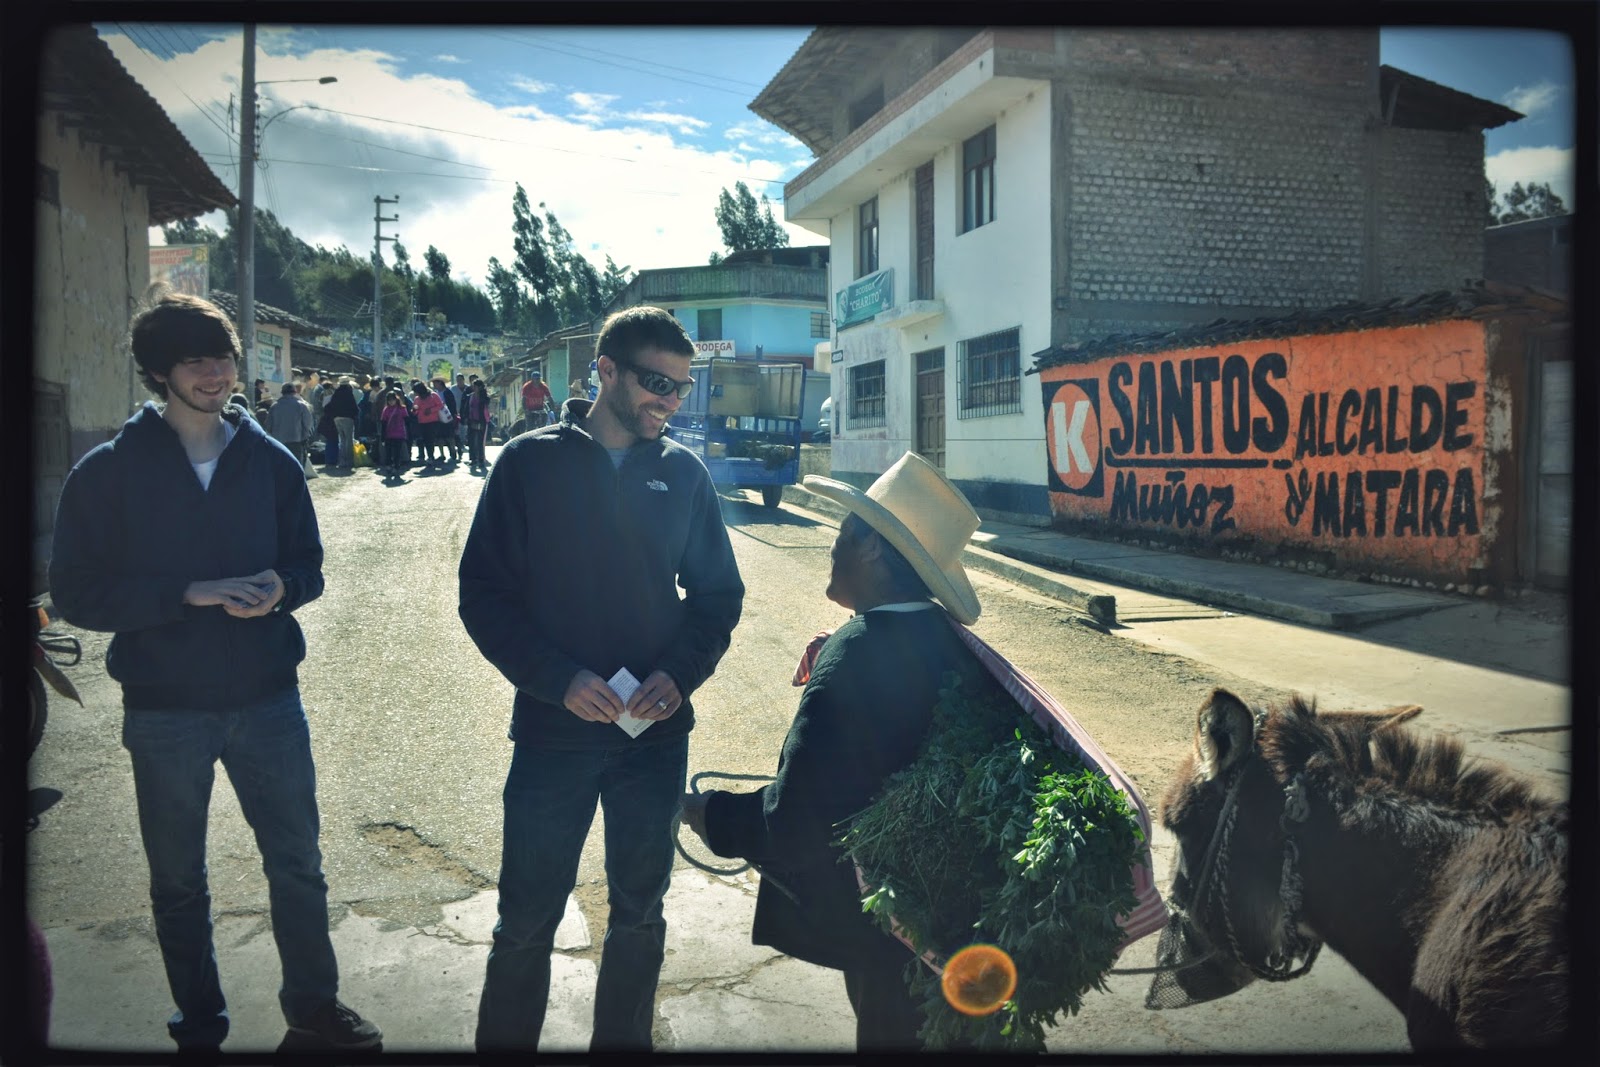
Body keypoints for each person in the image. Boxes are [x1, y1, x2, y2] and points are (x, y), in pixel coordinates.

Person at [47, 290, 381, 1054]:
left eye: (223, 356)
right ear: (159, 370)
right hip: (163, 710)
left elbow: (310, 565)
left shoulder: (271, 463)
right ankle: (198, 1021)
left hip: (270, 701)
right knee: (177, 880)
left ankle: (314, 1005)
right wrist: (185, 593)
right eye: (194, 359)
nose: (215, 373)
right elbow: (75, 591)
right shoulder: (107, 472)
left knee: (298, 863)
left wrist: (282, 588)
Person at [458, 305, 745, 1053]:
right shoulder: (528, 463)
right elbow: (483, 595)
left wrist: (678, 676)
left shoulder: (684, 473)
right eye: (657, 383)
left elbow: (717, 597)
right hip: (553, 734)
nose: (670, 401)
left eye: (682, 387)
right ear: (606, 371)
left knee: (640, 915)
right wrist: (559, 679)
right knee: (526, 920)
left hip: (653, 740)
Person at [679, 451, 995, 1051]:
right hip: (958, 922)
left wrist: (706, 812)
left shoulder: (852, 659)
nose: (832, 545)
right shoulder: (947, 642)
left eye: (844, 531)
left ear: (872, 548)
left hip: (893, 935)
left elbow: (795, 822)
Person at [265, 381, 316, 476]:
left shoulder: (274, 406)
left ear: (282, 392)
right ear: (294, 392)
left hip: (278, 442)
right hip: (296, 441)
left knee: (281, 468)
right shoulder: (301, 405)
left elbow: (268, 426)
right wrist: (305, 437)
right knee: (296, 467)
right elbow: (308, 424)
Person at [324, 378, 360, 470]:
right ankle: (349, 461)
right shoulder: (349, 393)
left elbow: (330, 406)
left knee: (342, 440)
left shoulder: (336, 393)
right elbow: (354, 407)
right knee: (349, 440)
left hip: (337, 419)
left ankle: (342, 461)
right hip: (348, 418)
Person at [411, 380, 445, 468]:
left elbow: (440, 405)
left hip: (433, 421)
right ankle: (428, 456)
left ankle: (430, 456)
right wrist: (414, 410)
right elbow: (415, 411)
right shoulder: (417, 399)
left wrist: (431, 410)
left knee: (430, 440)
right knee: (425, 440)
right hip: (422, 422)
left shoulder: (433, 395)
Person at [379, 389, 409, 477]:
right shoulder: (386, 410)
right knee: (388, 452)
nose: (391, 402)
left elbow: (407, 421)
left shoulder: (402, 408)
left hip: (399, 433)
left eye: (392, 400)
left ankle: (396, 466)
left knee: (397, 452)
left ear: (396, 399)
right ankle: (389, 465)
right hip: (389, 434)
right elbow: (383, 423)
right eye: (389, 400)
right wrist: (383, 436)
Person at [433, 376, 461, 463]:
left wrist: (452, 416)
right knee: (439, 438)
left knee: (450, 436)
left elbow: (452, 405)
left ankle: (453, 452)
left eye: (435, 383)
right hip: (438, 418)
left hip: (448, 418)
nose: (434, 385)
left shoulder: (448, 392)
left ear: (440, 383)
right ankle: (442, 455)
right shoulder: (435, 393)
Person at [465, 379, 491, 472]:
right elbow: (467, 408)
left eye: (476, 386)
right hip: (471, 420)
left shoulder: (484, 397)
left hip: (482, 420)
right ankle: (473, 459)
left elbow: (486, 405)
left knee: (480, 441)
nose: (474, 388)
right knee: (471, 440)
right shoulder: (470, 397)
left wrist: (481, 395)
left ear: (480, 387)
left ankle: (481, 460)